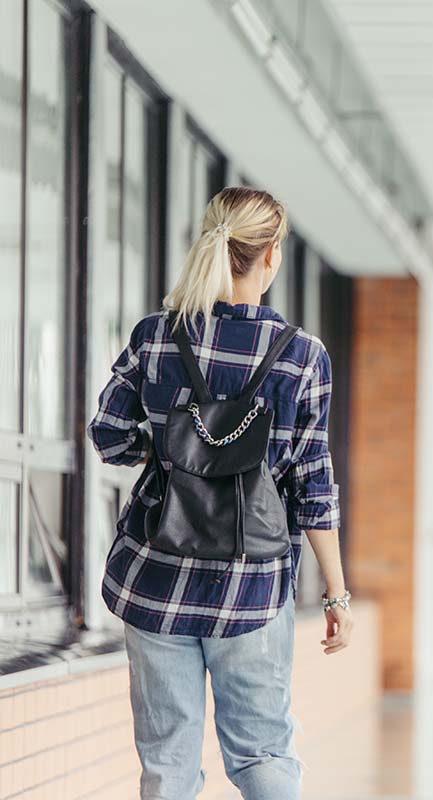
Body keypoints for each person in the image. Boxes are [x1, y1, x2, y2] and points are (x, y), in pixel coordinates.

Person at [88, 187, 352, 800]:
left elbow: (108, 435)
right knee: (263, 754)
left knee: (167, 764)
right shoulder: (302, 357)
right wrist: (336, 592)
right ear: (271, 256)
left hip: (156, 576)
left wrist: (170, 453)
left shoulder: (157, 336)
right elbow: (314, 485)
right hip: (251, 584)